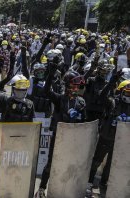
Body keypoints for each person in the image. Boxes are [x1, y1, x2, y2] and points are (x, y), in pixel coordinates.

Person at [36, 58, 87, 198]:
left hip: (74, 139)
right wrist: (50, 74)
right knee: (51, 163)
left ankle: (67, 187)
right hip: (59, 137)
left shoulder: (81, 102)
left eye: (78, 86)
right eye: (74, 86)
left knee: (71, 163)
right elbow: (46, 91)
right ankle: (41, 188)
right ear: (68, 86)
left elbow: (84, 121)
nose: (77, 88)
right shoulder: (60, 99)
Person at [87, 75, 128, 196]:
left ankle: (104, 185)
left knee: (111, 165)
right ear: (120, 91)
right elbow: (101, 96)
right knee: (96, 161)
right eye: (127, 92)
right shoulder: (112, 101)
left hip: (121, 141)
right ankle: (89, 183)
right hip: (106, 137)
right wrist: (112, 81)